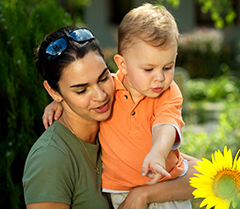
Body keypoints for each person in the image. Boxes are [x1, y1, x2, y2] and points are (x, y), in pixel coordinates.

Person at [23, 26, 198, 209]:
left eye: (104, 78)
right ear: (53, 91)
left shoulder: (112, 123)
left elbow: (200, 172)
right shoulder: (50, 159)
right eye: (81, 90)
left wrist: (142, 195)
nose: (100, 96)